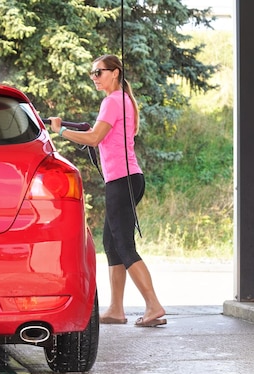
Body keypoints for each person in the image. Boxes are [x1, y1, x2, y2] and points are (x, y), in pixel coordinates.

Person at [48, 54, 166, 327]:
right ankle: (115, 309)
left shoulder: (113, 101)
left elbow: (94, 138)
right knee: (111, 245)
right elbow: (106, 136)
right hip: (126, 180)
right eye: (92, 73)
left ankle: (154, 305)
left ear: (114, 73)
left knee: (124, 246)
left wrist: (60, 130)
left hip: (122, 181)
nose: (94, 77)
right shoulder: (122, 101)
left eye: (98, 72)